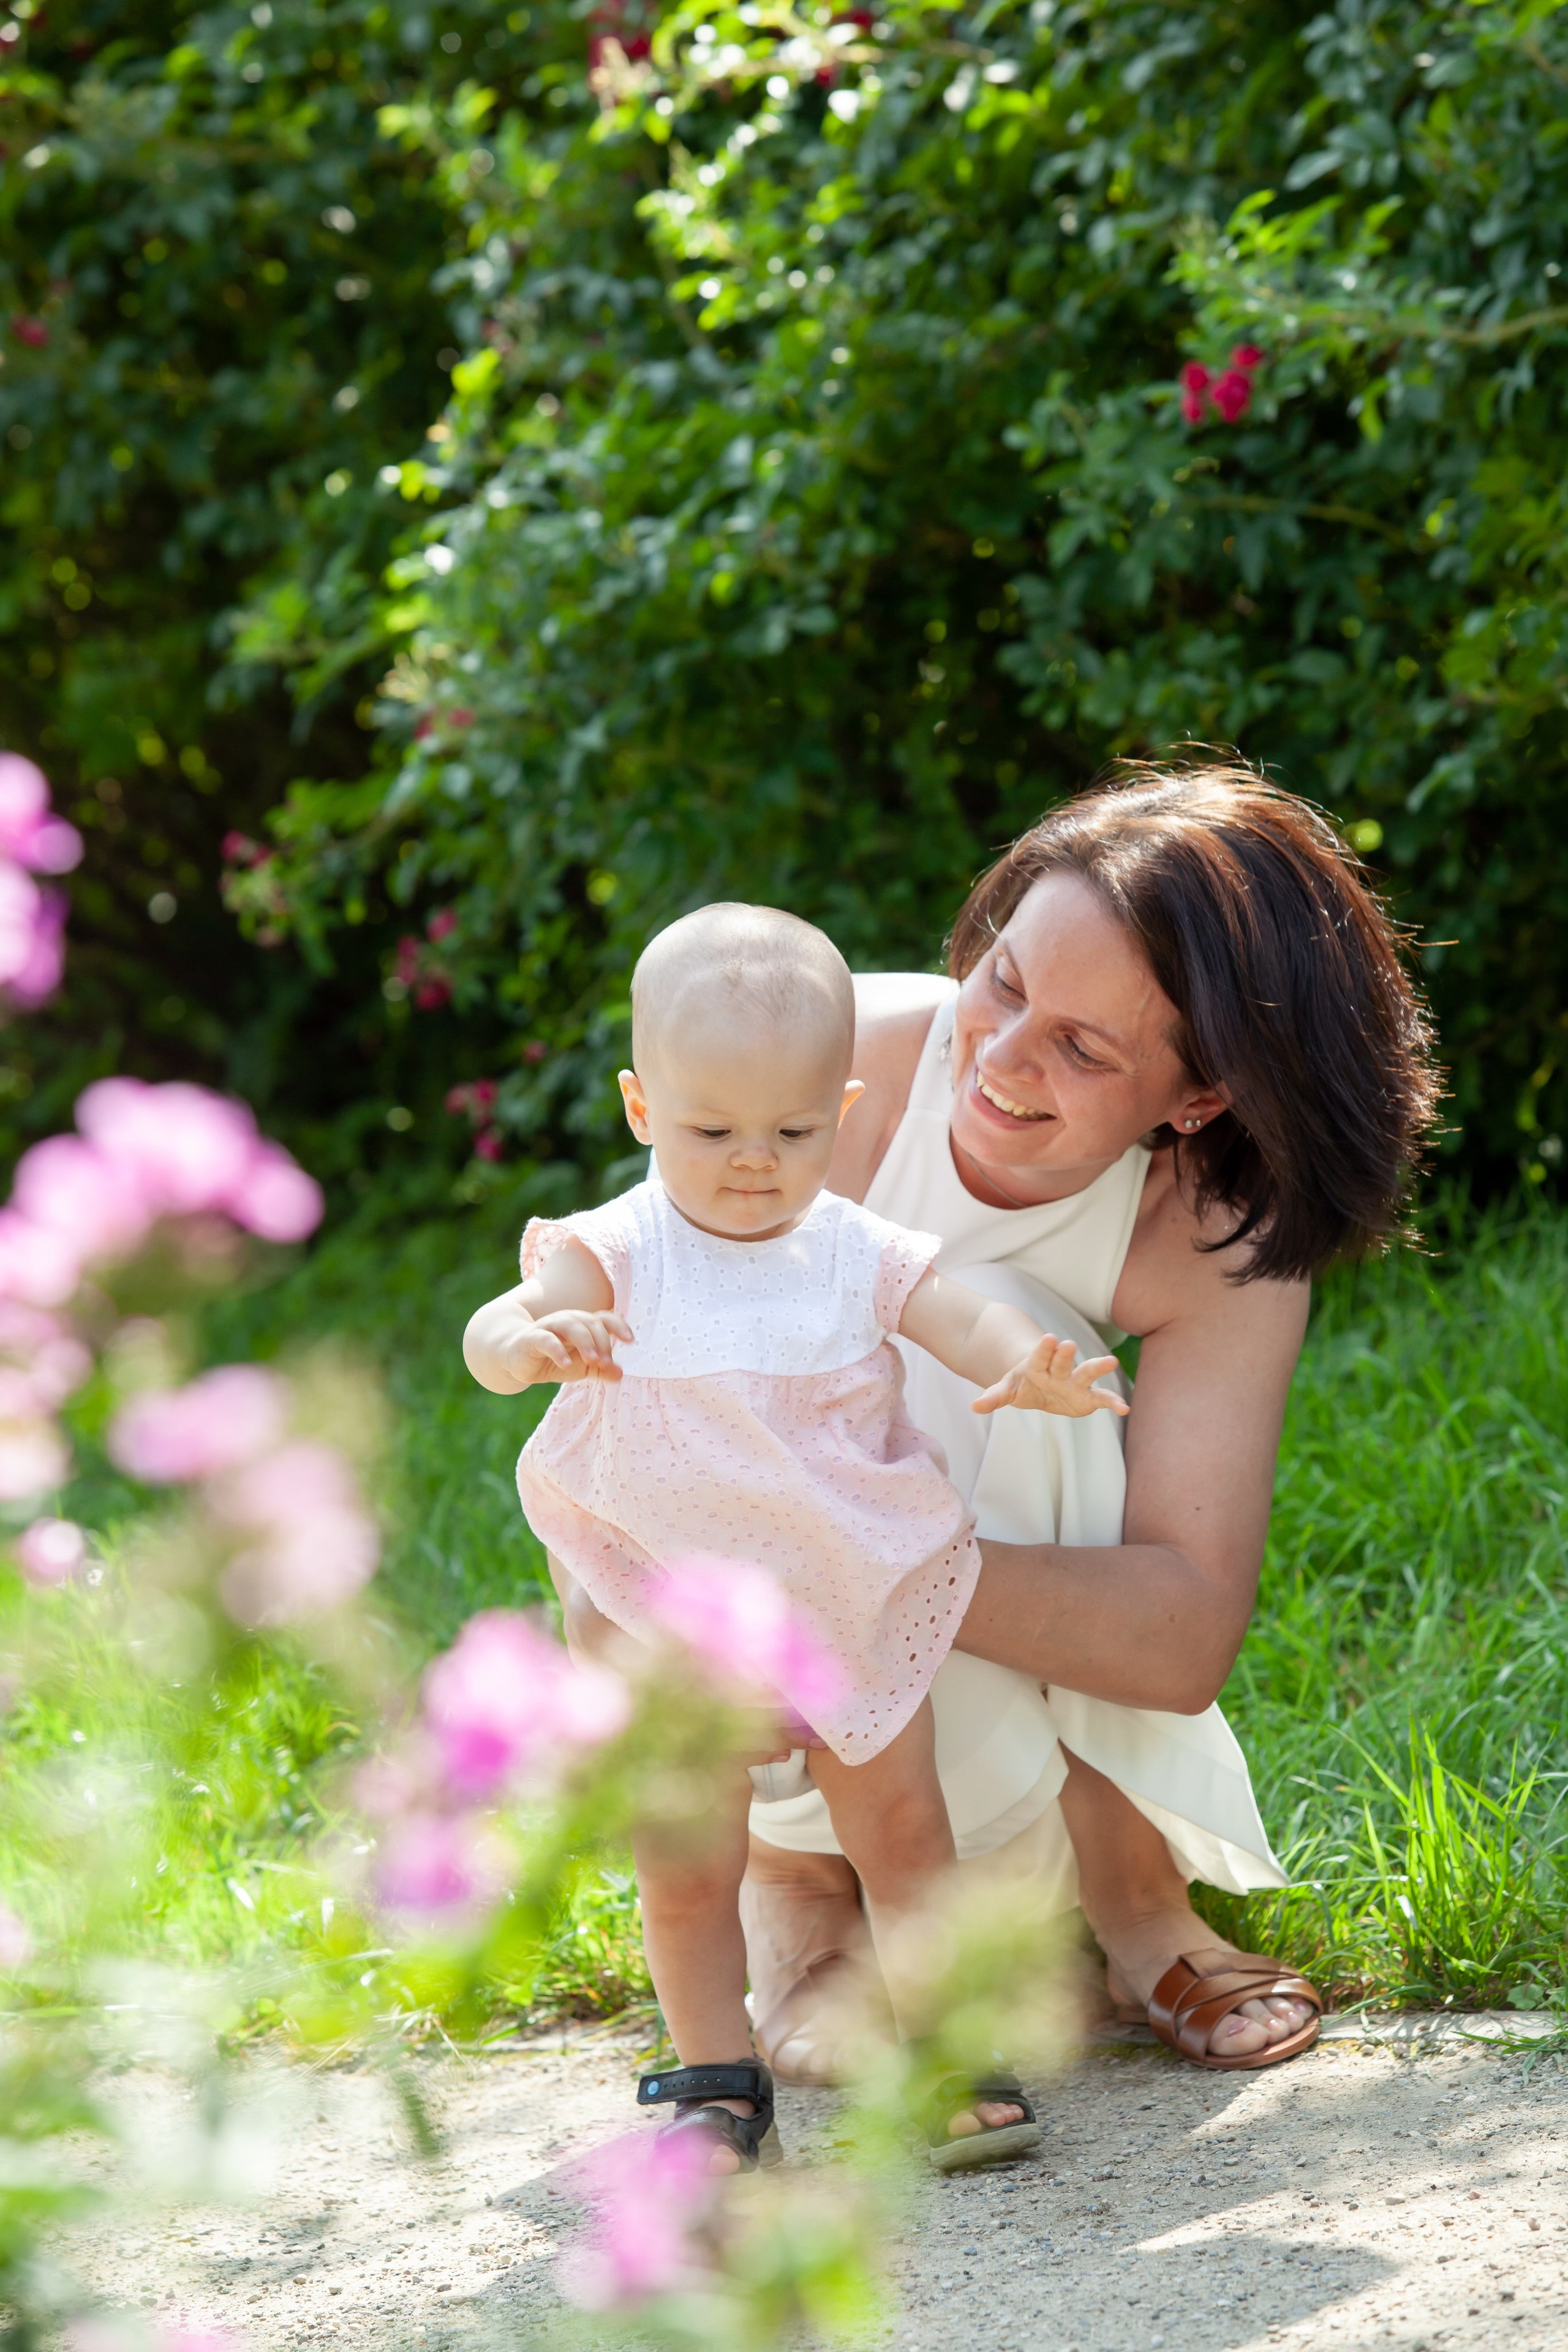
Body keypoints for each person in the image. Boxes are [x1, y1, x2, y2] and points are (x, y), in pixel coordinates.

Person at [739, 761, 1440, 2082]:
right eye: (1004, 982)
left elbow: (1176, 1634)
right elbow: (628, 1404)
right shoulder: (825, 1073)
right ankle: (799, 1901)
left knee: (1017, 1349)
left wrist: (885, 1562)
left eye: (1083, 1046)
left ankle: (1127, 1894)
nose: (997, 1057)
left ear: (1196, 1099)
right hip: (760, 1652)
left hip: (893, 1606)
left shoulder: (1208, 1233)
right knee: (877, 1352)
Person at [462, 903, 1130, 2174]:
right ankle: (717, 2079)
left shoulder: (852, 1249)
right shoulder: (615, 1253)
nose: (755, 1161)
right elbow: (502, 1323)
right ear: (641, 1106)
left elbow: (953, 1319)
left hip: (847, 1593)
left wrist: (1023, 1367)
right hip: (675, 1611)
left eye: (795, 1129)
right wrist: (525, 1348)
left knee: (902, 1837)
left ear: (845, 1103)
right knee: (684, 1857)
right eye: (712, 1130)